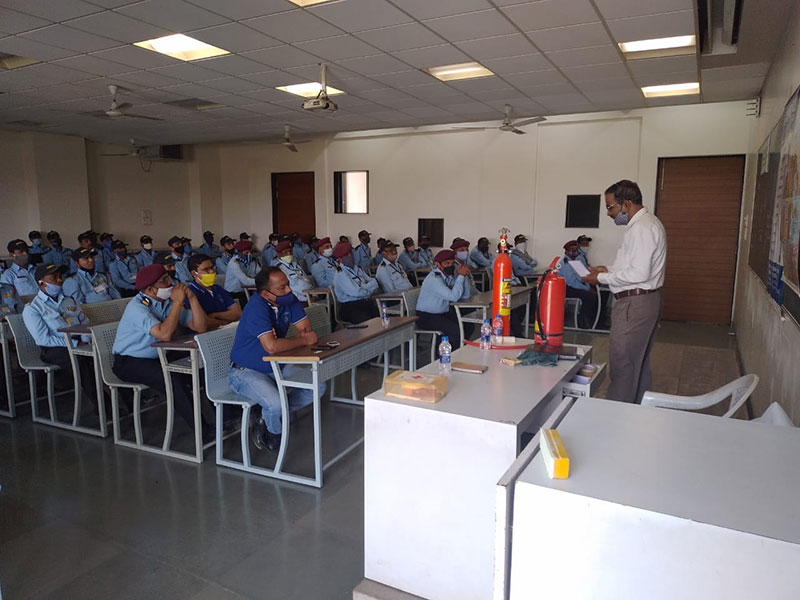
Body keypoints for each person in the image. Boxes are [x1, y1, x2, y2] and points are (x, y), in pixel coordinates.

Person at [582, 179, 667, 405]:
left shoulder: (641, 228)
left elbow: (639, 274)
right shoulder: (646, 224)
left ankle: (616, 416)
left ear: (627, 204)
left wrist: (600, 277)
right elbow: (634, 267)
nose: (609, 214)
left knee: (623, 365)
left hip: (634, 304)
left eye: (611, 207)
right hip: (642, 301)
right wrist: (606, 269)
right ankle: (636, 411)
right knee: (637, 363)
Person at [228, 267, 326, 452]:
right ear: (266, 294)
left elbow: (307, 330)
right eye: (282, 288)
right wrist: (299, 340)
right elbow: (272, 346)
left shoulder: (289, 300)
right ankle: (274, 432)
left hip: (277, 364)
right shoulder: (256, 308)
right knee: (275, 404)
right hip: (245, 370)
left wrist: (289, 341)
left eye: (288, 284)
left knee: (317, 386)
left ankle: (267, 416)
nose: (289, 290)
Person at [112, 264, 212, 440]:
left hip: (159, 356)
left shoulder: (165, 303)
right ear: (150, 289)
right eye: (164, 281)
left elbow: (200, 327)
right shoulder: (138, 307)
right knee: (173, 379)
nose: (171, 283)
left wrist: (192, 298)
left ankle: (228, 416)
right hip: (130, 362)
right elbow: (165, 335)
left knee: (204, 365)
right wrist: (178, 302)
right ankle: (202, 431)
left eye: (169, 278)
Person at [22, 263, 98, 405]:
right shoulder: (33, 308)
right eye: (53, 277)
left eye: (60, 276)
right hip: (54, 348)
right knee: (81, 360)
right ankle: (103, 406)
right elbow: (43, 339)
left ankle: (128, 399)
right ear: (42, 283)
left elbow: (84, 322)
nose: (59, 280)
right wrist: (75, 344)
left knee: (104, 353)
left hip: (79, 341)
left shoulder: (69, 300)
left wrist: (86, 340)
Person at [416, 250, 471, 350]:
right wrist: (461, 276)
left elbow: (464, 295)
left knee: (467, 325)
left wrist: (464, 276)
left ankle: (459, 352)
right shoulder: (434, 279)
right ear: (438, 264)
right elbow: (454, 297)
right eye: (447, 263)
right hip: (427, 316)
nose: (450, 265)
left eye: (452, 263)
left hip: (442, 314)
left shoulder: (447, 276)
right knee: (454, 331)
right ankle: (443, 357)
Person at [187, 253, 241, 328]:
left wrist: (215, 315)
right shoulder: (191, 293)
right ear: (194, 273)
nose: (211, 271)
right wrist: (226, 321)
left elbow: (237, 313)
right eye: (206, 269)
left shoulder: (218, 289)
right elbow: (204, 322)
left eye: (212, 267)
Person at [332, 242, 379, 323]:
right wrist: (368, 288)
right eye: (346, 255)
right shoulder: (341, 274)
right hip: (350, 307)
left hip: (365, 302)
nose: (350, 256)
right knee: (369, 324)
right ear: (339, 259)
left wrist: (363, 287)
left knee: (383, 317)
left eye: (351, 253)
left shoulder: (357, 268)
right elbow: (356, 292)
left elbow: (374, 282)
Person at [559, 240, 597, 329]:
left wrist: (588, 286)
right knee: (588, 296)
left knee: (594, 293)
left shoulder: (576, 261)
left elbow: (583, 276)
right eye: (571, 250)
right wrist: (587, 289)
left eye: (576, 250)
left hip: (576, 285)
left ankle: (592, 319)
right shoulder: (565, 263)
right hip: (566, 288)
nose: (574, 252)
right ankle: (583, 321)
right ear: (566, 252)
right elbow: (572, 282)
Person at [224, 240, 257, 306]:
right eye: (246, 252)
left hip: (246, 290)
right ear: (240, 253)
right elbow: (246, 281)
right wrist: (262, 281)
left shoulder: (251, 261)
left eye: (250, 252)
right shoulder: (234, 263)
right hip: (234, 293)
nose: (249, 254)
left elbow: (259, 273)